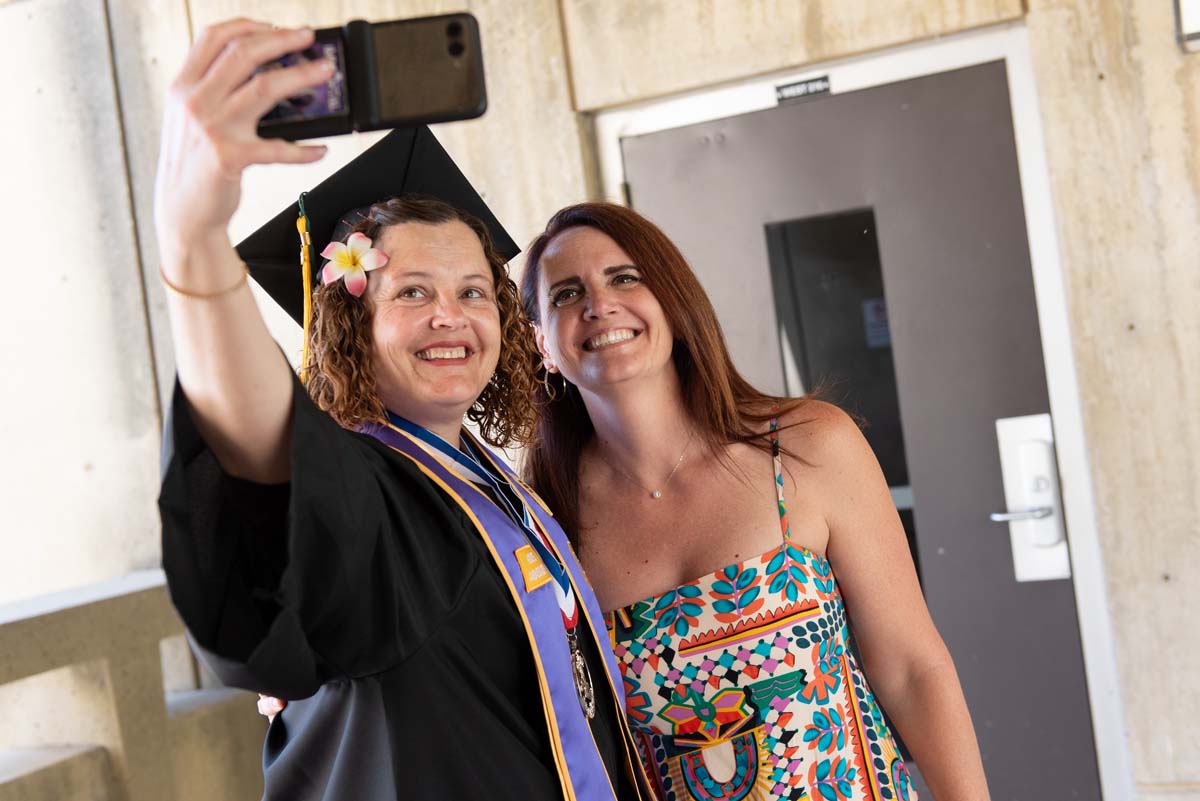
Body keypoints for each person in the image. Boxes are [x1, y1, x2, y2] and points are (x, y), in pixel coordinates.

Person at [155, 20, 647, 800]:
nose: (450, 316)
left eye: (473, 292)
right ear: (352, 323)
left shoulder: (499, 484)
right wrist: (194, 245)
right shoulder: (369, 489)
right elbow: (263, 450)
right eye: (412, 292)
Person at [518, 202, 992, 801]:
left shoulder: (805, 446)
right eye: (565, 294)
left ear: (672, 301)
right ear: (541, 344)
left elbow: (912, 670)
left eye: (625, 277)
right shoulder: (542, 525)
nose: (598, 305)